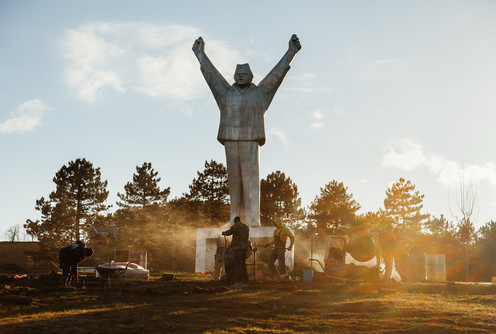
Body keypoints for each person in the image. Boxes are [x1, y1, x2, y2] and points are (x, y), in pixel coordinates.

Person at [192, 35, 301, 227]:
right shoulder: (225, 93)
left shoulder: (260, 93)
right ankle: (235, 217)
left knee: (250, 180)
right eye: (237, 73)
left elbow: (276, 75)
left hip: (251, 139)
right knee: (234, 181)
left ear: (252, 77)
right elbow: (211, 76)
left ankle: (252, 217)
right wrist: (200, 55)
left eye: (244, 73)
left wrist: (290, 53)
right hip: (230, 139)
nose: (240, 75)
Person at [222, 216, 250, 284]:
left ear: (235, 221)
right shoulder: (246, 227)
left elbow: (229, 232)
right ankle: (245, 279)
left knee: (238, 264)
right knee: (243, 263)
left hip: (238, 248)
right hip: (244, 247)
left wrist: (224, 232)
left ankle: (239, 280)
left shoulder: (235, 226)